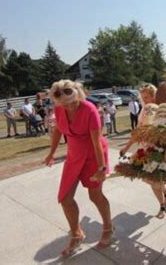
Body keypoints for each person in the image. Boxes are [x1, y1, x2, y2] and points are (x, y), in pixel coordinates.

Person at [44, 80, 113, 257]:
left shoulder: (89, 109)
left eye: (73, 101)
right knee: (65, 198)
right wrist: (51, 153)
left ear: (78, 94)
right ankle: (76, 234)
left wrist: (101, 168)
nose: (70, 106)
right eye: (65, 104)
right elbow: (58, 131)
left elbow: (96, 141)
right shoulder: (60, 109)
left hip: (93, 155)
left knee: (95, 195)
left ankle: (108, 227)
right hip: (74, 155)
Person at [120, 84, 166, 219]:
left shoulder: (165, 109)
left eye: (148, 96)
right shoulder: (144, 110)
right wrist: (126, 147)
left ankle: (165, 196)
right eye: (144, 98)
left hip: (161, 150)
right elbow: (138, 131)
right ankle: (163, 201)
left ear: (155, 95)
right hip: (146, 150)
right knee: (151, 180)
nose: (146, 100)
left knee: (156, 181)